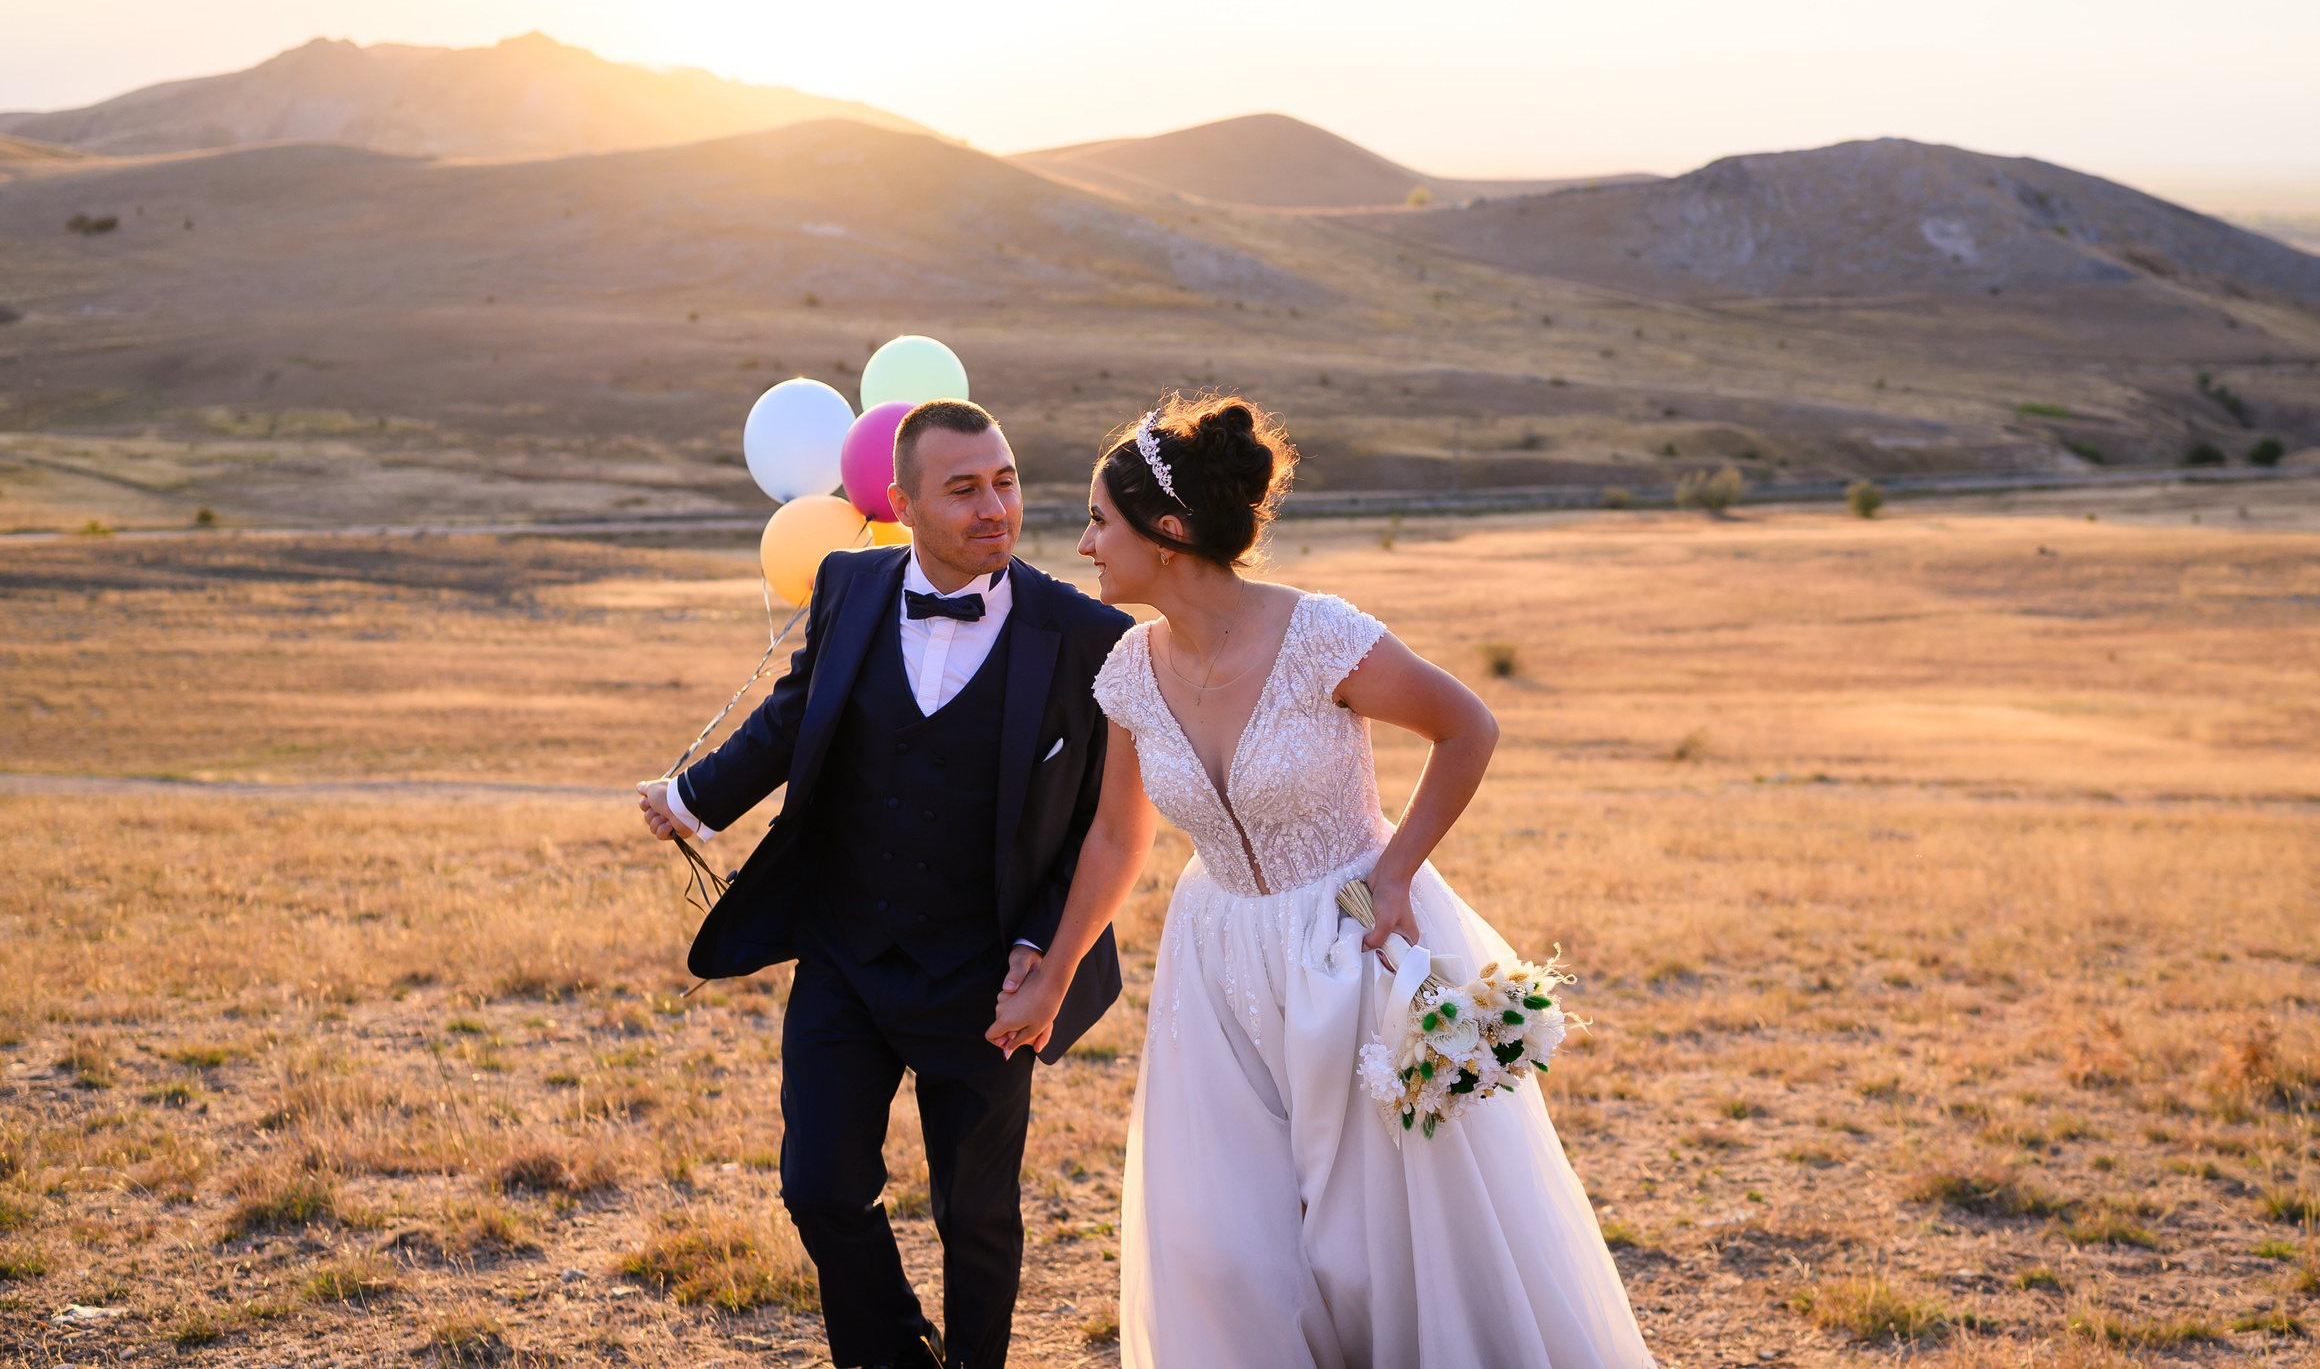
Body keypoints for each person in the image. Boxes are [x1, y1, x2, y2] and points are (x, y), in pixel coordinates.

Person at [987, 394, 1654, 1368]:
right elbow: (1114, 837)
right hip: (1213, 961)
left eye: (1098, 519)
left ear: (1166, 534)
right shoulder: (1128, 668)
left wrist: (1394, 873)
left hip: (1353, 943)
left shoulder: (1320, 638)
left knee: (1380, 1242)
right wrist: (1051, 972)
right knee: (1221, 1240)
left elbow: (1467, 726)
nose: (1084, 544)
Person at [636, 399, 1132, 1369]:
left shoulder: (1086, 633)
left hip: (988, 974)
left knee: (976, 1214)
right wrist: (695, 798)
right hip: (845, 954)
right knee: (818, 1186)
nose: (996, 506)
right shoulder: (848, 583)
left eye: (1006, 479)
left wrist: (1042, 952)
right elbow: (795, 714)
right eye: (963, 488)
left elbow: (1091, 822)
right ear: (901, 502)